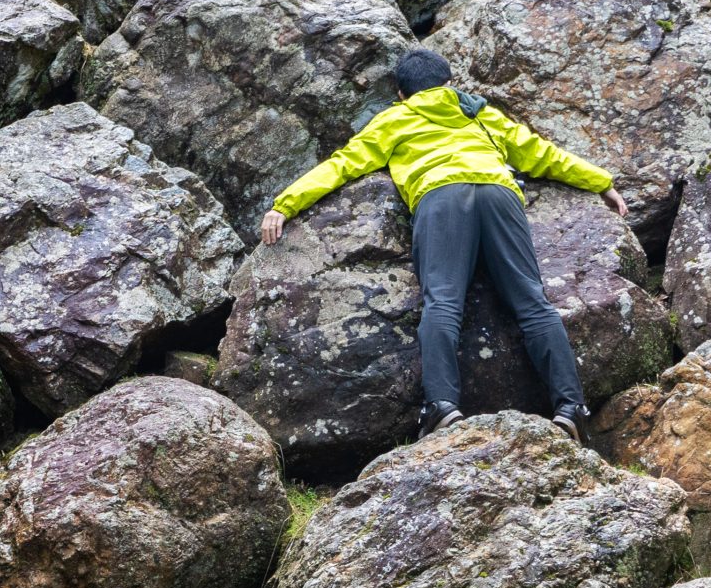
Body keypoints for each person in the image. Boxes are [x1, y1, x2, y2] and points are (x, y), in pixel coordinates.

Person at [260, 48, 626, 440]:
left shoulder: (395, 118)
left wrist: (285, 205)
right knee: (532, 302)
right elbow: (541, 153)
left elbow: (342, 164)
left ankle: (442, 407)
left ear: (401, 93)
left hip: (441, 198)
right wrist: (600, 181)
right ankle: (571, 407)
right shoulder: (479, 112)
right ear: (449, 83)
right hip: (498, 193)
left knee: (444, 302)